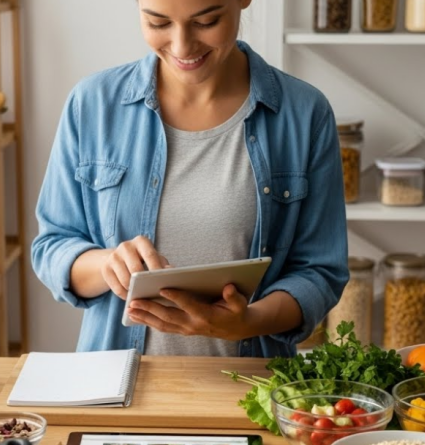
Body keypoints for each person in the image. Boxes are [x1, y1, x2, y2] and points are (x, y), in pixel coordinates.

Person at [32, 0, 348, 358]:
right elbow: (52, 247)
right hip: (116, 382)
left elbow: (320, 271)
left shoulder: (305, 113)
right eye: (158, 23)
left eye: (207, 21)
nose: (182, 47)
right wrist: (107, 264)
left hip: (251, 385)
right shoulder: (92, 104)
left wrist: (249, 322)